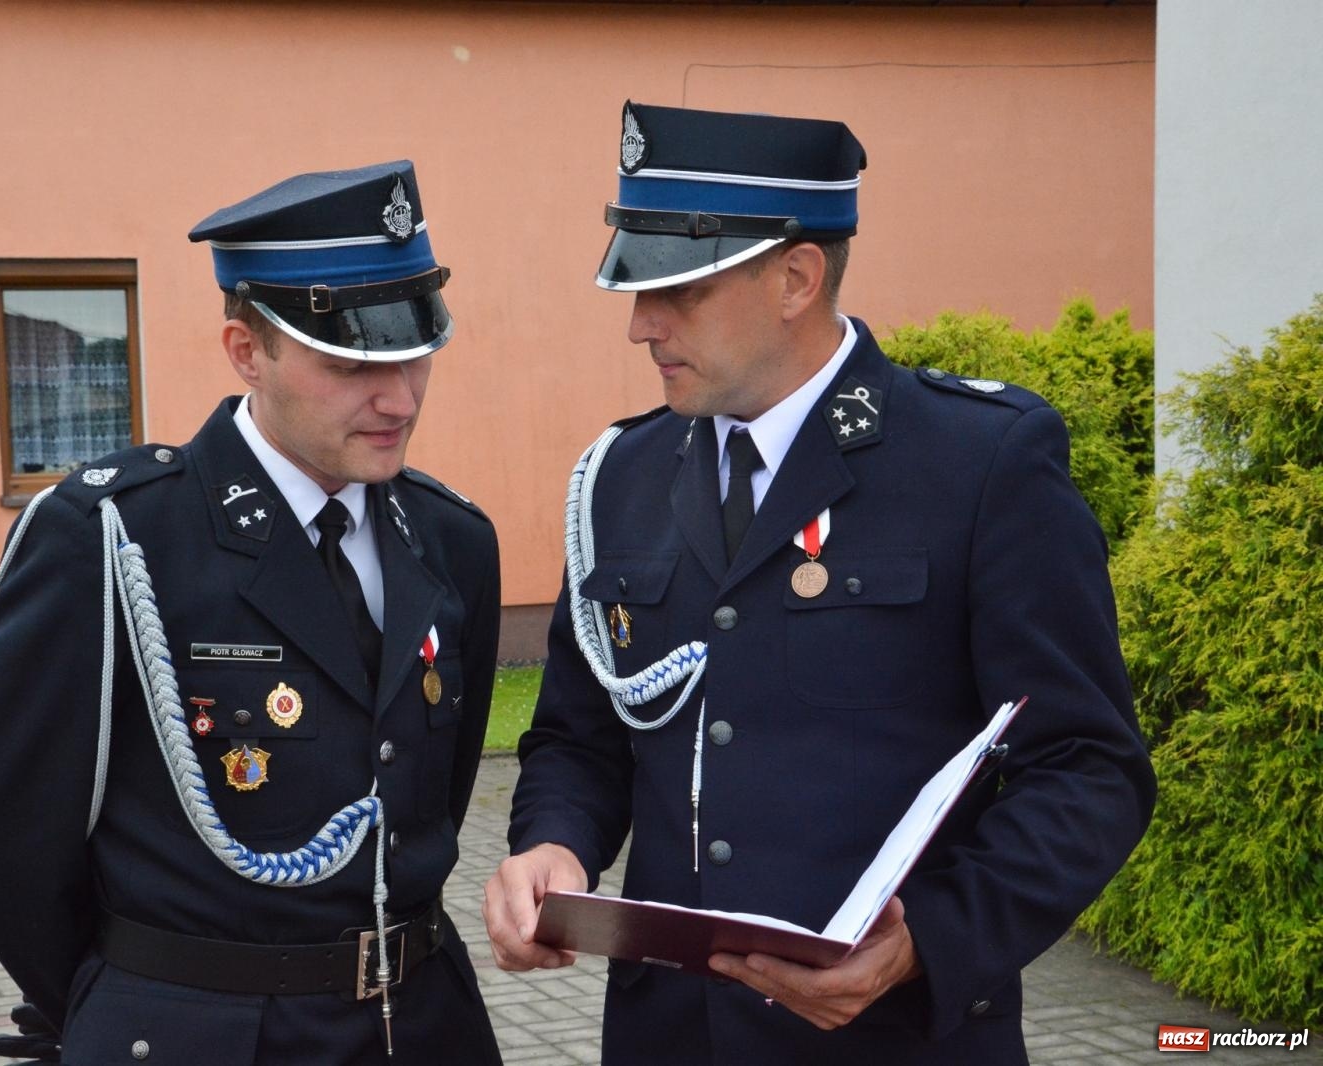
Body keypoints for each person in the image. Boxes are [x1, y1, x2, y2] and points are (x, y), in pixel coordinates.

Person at [483, 101, 1157, 1064]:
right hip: (668, 1036)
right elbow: (579, 737)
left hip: (891, 1039)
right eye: (637, 289)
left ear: (796, 278)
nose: (640, 325)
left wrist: (926, 939)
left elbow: (1088, 769)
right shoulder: (621, 476)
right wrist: (555, 842)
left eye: (677, 293)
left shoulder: (977, 464)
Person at [0, 161, 504, 1065]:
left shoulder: (451, 539)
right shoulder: (114, 537)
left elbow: (428, 795)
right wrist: (119, 996)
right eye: (353, 360)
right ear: (247, 351)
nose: (399, 396)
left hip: (425, 1024)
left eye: (412, 350)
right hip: (207, 1033)